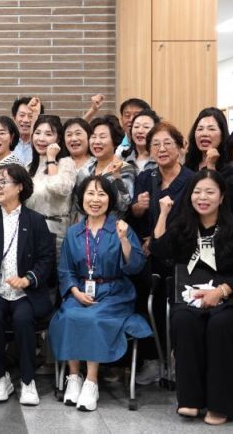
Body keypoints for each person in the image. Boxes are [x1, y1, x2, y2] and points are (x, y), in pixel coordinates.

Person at [150, 170, 233, 425]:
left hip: (231, 298)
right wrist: (164, 213)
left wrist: (221, 291)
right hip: (192, 298)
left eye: (210, 192)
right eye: (197, 192)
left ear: (222, 197)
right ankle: (191, 399)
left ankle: (222, 405)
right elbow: (159, 248)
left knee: (221, 325)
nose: (203, 197)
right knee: (183, 321)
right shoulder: (184, 225)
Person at [49, 176, 149, 411]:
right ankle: (74, 377)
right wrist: (75, 292)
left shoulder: (121, 228)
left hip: (114, 293)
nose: (95, 200)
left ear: (110, 199)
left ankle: (91, 381)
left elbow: (136, 266)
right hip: (80, 290)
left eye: (101, 194)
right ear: (82, 198)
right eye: (90, 194)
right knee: (69, 315)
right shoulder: (73, 232)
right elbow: (65, 270)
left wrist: (124, 240)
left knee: (93, 318)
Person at [0, 164, 55, 406]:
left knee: (23, 318)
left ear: (19, 187)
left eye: (3, 182)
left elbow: (46, 258)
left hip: (25, 292)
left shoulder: (35, 220)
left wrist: (27, 278)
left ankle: (28, 380)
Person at [128, 121, 195, 385]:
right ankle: (153, 360)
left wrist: (159, 239)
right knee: (145, 302)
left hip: (182, 255)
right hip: (151, 255)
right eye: (155, 144)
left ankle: (179, 360)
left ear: (180, 147)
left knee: (180, 310)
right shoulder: (146, 178)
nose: (161, 148)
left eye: (168, 143)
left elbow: (192, 221)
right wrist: (138, 209)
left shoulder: (191, 180)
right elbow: (136, 216)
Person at [24, 115, 76, 247]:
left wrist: (51, 158)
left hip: (55, 232)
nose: (41, 139)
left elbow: (60, 188)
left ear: (58, 139)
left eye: (48, 134)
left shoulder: (66, 163)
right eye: (37, 133)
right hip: (30, 230)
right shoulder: (29, 166)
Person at [84, 115, 137, 218]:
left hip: (113, 225)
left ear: (114, 141)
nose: (96, 141)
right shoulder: (87, 168)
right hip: (88, 225)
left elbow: (124, 205)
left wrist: (116, 177)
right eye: (93, 137)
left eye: (102, 137)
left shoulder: (125, 169)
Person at [0, 96, 43, 165]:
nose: (26, 120)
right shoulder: (1, 142)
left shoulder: (42, 144)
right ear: (14, 118)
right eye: (22, 115)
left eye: (31, 116)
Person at [84, 95, 152, 150]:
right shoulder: (116, 142)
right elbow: (80, 129)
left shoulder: (153, 143)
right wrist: (93, 110)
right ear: (121, 119)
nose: (131, 119)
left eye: (136, 115)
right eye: (127, 115)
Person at [183, 108, 230, 172]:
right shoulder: (189, 164)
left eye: (211, 129)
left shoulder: (231, 167)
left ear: (222, 134)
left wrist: (211, 166)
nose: (204, 134)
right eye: (200, 129)